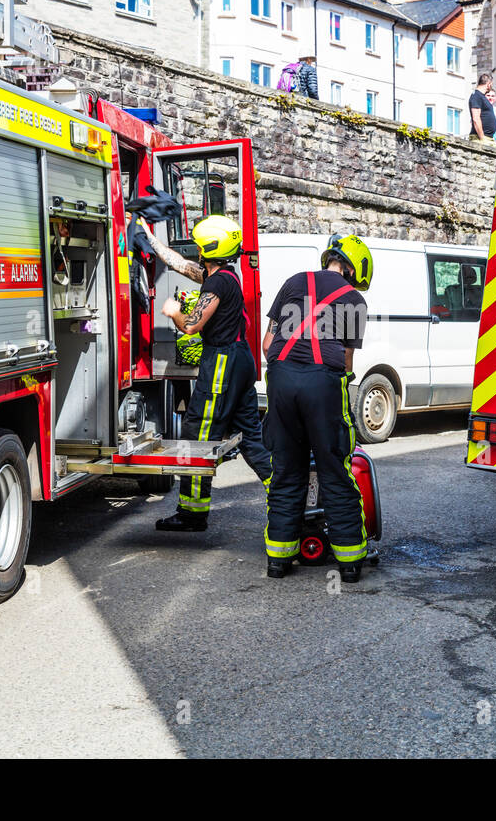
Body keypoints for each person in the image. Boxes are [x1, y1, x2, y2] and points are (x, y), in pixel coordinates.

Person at [143, 214, 272, 530]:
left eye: (199, 244)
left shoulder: (216, 282)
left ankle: (192, 514)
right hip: (239, 359)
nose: (196, 249)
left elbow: (191, 326)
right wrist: (149, 237)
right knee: (250, 435)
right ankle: (285, 495)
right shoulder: (226, 275)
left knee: (198, 432)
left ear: (207, 248)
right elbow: (180, 264)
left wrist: (174, 312)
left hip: (222, 362)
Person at [262, 235, 372, 582]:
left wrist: (288, 373)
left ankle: (279, 560)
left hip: (280, 377)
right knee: (335, 470)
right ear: (354, 270)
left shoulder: (294, 281)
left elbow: (268, 342)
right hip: (322, 382)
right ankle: (350, 563)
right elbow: (347, 361)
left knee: (286, 471)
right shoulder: (353, 299)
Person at [469, 73, 496, 142]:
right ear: (489, 84)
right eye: (491, 84)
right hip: (480, 138)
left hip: (488, 138)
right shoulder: (476, 95)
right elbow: (476, 118)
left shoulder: (481, 96)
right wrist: (482, 139)